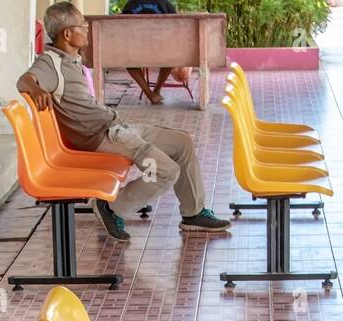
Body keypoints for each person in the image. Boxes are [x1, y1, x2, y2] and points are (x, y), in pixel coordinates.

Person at [17, 1, 229, 242]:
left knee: (182, 143)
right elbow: (24, 80)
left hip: (117, 128)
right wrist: (35, 89)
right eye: (82, 26)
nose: (86, 29)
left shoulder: (72, 59)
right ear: (67, 34)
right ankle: (112, 207)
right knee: (166, 171)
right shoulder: (50, 63)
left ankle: (193, 214)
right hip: (104, 137)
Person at [121, 0, 177, 105]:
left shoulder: (130, 4)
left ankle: (149, 93)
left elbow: (122, 29)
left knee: (128, 60)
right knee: (172, 57)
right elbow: (177, 27)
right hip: (162, 51)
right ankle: (157, 90)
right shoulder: (166, 4)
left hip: (136, 52)